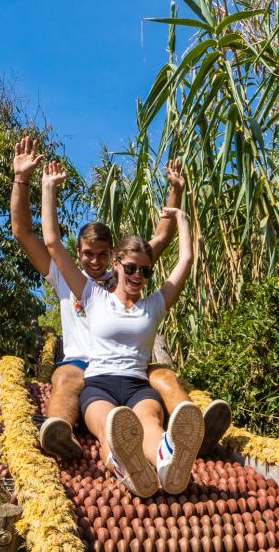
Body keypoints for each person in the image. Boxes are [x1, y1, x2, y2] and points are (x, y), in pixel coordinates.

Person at [9, 136, 231, 460]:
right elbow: (26, 234)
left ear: (114, 256)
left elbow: (160, 238)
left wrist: (176, 192)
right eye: (87, 255)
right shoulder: (70, 279)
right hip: (85, 365)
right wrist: (23, 179)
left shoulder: (127, 277)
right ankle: (59, 431)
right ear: (78, 254)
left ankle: (192, 426)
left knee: (164, 375)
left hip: (129, 367)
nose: (94, 262)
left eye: (101, 254)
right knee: (67, 377)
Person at [41, 158, 200, 497]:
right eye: (131, 268)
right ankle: (125, 463)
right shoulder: (93, 295)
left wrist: (182, 216)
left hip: (137, 384)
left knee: (150, 423)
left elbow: (185, 260)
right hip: (98, 384)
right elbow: (53, 243)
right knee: (110, 426)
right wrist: (48, 189)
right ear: (117, 264)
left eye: (146, 271)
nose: (138, 276)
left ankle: (167, 461)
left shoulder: (154, 304)